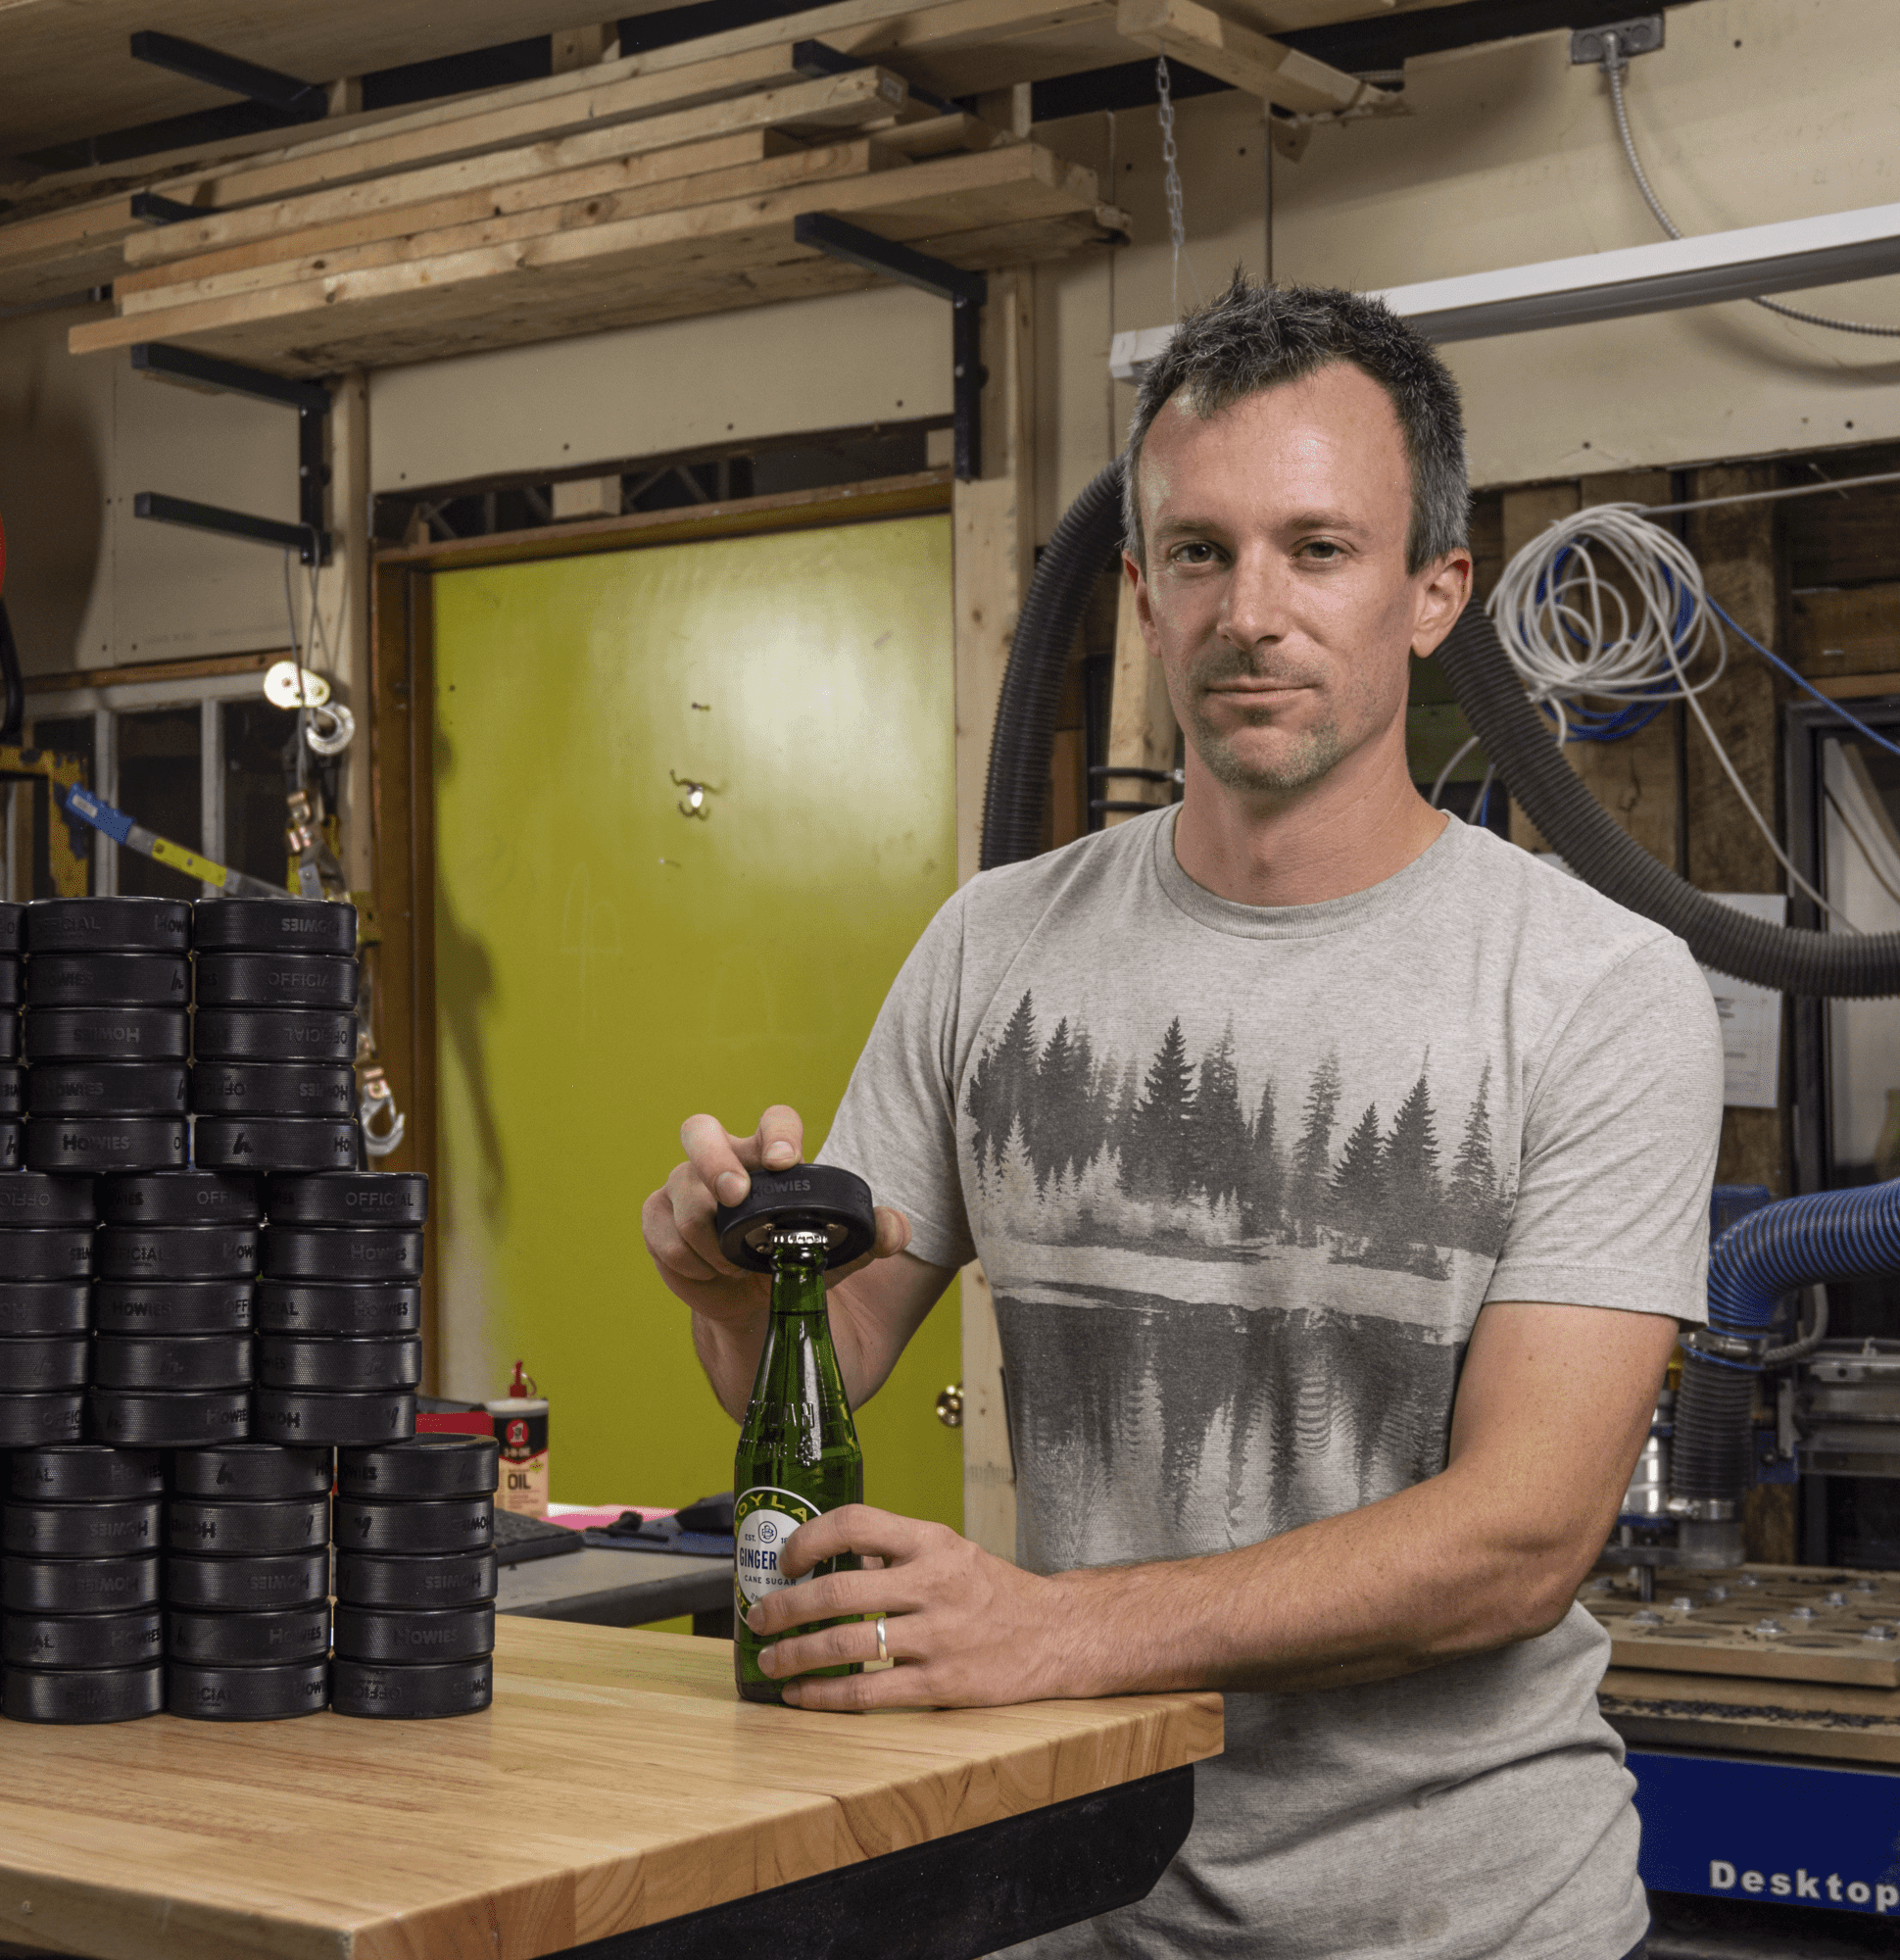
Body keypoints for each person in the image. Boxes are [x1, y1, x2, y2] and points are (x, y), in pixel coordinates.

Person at [642, 276, 1723, 1960]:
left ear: (1436, 593)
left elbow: (1519, 1539)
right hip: (1080, 1902)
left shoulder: (1596, 988)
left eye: (1320, 548)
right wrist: (732, 1290)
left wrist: (1052, 1631)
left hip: (1465, 1925)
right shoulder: (990, 947)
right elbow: (820, 1356)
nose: (1253, 612)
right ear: (1139, 593)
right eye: (1202, 554)